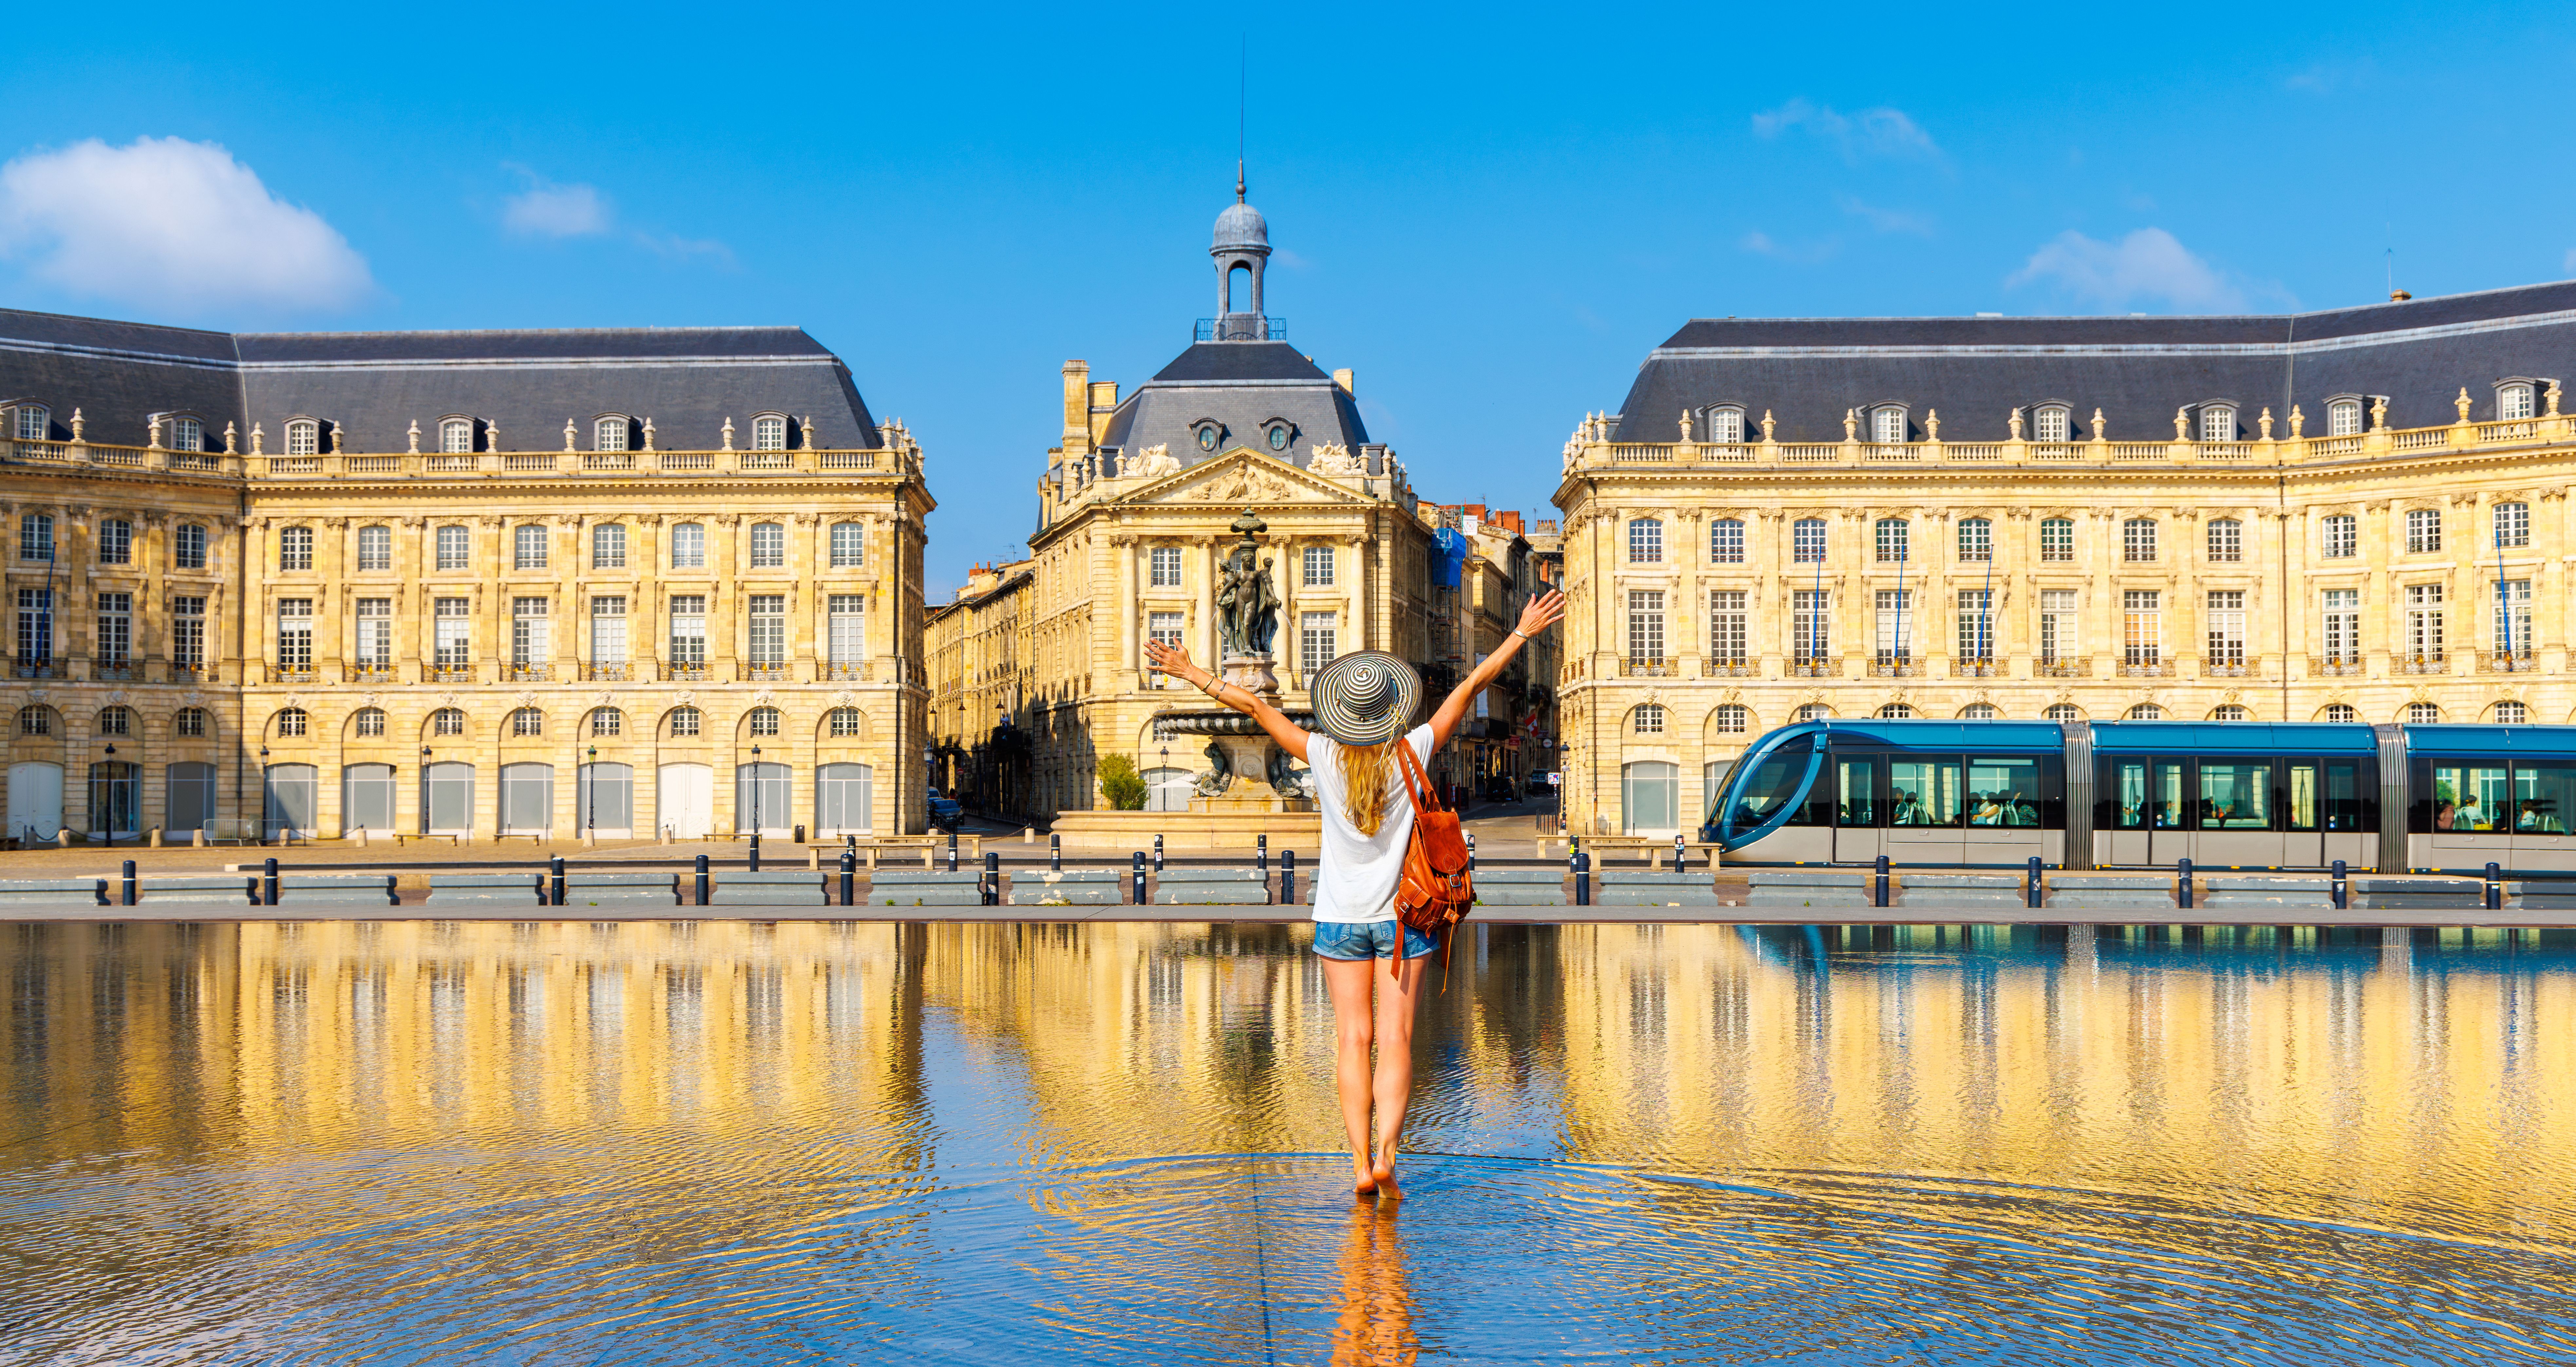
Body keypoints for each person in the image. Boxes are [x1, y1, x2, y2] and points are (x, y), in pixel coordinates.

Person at [1147, 588, 1566, 1200]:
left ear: (1341, 712)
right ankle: (1389, 1158)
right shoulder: (1413, 749)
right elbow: (1471, 685)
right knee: (1395, 1039)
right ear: (1390, 711)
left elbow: (1254, 710)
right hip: (1406, 919)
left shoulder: (1321, 754)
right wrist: (1521, 633)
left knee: (1352, 1039)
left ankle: (1357, 1162)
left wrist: (1191, 673)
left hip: (1338, 918)